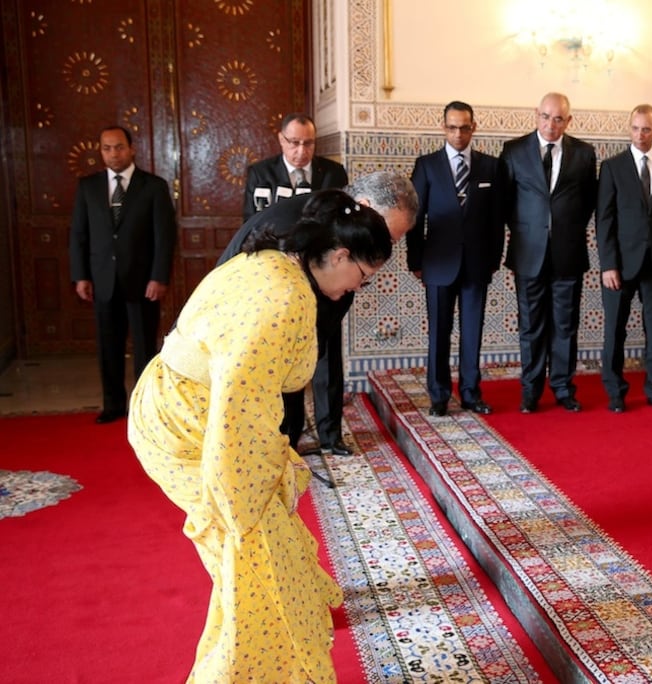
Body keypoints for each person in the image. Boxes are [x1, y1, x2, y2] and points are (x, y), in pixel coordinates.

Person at [128, 189, 394, 683]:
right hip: (188, 429)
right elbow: (239, 419)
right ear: (339, 256)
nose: (357, 288)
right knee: (259, 585)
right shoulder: (283, 301)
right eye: (362, 276)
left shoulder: (279, 261)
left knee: (275, 570)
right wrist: (243, 514)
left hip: (181, 407)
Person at [219, 171, 418, 454]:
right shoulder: (294, 238)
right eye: (386, 236)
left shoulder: (341, 233)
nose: (385, 248)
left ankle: (315, 436)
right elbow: (268, 354)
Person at [69, 125, 177, 424]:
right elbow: (79, 234)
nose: (113, 153)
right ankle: (113, 404)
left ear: (131, 149)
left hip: (143, 283)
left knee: (144, 348)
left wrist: (159, 277)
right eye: (106, 148)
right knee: (108, 346)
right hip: (102, 280)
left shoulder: (153, 186)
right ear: (101, 151)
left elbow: (164, 236)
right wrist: (81, 276)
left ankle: (144, 408)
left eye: (118, 147)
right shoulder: (88, 187)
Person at [498, 92, 598, 413]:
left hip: (568, 253)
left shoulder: (584, 154)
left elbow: (587, 203)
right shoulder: (513, 151)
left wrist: (563, 231)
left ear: (568, 121)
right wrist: (532, 231)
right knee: (531, 325)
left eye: (558, 119)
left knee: (566, 324)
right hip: (528, 253)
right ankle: (530, 391)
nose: (550, 124)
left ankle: (563, 387)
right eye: (545, 116)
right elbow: (506, 202)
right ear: (535, 115)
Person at [408, 101, 505, 417]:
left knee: (472, 331)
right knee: (439, 331)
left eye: (464, 127)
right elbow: (415, 217)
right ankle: (438, 395)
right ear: (443, 127)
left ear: (473, 127)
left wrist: (494, 258)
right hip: (437, 263)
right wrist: (415, 261)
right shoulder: (427, 165)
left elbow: (496, 219)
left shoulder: (491, 166)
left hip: (477, 264)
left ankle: (470, 393)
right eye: (452, 127)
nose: (458, 133)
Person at [595, 104, 652, 413]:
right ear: (629, 128)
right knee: (615, 331)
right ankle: (615, 391)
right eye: (635, 128)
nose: (640, 135)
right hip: (619, 265)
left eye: (646, 129)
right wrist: (608, 265)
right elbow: (604, 220)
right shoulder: (612, 167)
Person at [242, 112, 349, 221]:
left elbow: (343, 218)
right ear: (281, 139)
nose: (302, 151)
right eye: (294, 142)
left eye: (308, 143)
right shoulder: (260, 173)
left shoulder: (335, 172)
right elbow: (250, 221)